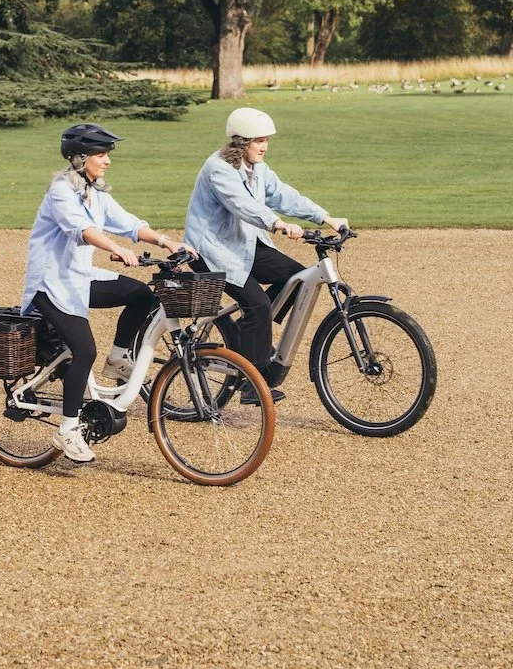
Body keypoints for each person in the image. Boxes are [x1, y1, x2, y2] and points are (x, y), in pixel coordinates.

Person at [23, 123, 194, 464]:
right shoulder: (61, 191)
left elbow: (128, 222)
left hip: (80, 278)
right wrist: (116, 248)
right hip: (51, 284)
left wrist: (166, 241)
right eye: (101, 155)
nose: (107, 162)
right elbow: (80, 230)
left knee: (141, 295)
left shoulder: (95, 192)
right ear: (80, 157)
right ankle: (68, 430)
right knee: (83, 349)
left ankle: (118, 359)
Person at [183, 108, 349, 402]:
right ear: (241, 141)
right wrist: (278, 224)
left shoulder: (258, 168)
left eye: (266, 141)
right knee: (258, 305)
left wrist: (325, 217)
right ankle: (251, 384)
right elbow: (242, 204)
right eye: (259, 141)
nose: (264, 147)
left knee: (298, 280)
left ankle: (248, 338)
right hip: (212, 251)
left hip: (243, 243)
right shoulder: (218, 168)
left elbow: (283, 194)